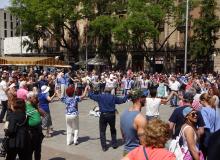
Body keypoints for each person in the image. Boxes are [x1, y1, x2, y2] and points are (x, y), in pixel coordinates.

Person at [88, 87, 128, 151]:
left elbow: (91, 96)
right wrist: (128, 95)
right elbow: (122, 100)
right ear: (110, 91)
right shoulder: (113, 97)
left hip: (103, 115)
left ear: (104, 91)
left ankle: (104, 147)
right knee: (113, 129)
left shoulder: (100, 96)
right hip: (112, 115)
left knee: (102, 131)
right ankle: (114, 144)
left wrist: (89, 90)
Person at [120, 89, 147, 156]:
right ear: (139, 99)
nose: (145, 99)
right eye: (144, 97)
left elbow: (123, 134)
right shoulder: (140, 119)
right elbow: (144, 143)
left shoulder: (124, 113)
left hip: (126, 151)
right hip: (136, 153)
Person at [26, 91, 44, 160]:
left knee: (38, 151)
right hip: (30, 133)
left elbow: (44, 114)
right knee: (29, 151)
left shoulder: (35, 105)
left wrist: (37, 107)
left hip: (38, 132)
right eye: (35, 98)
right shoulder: (25, 106)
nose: (37, 99)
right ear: (30, 98)